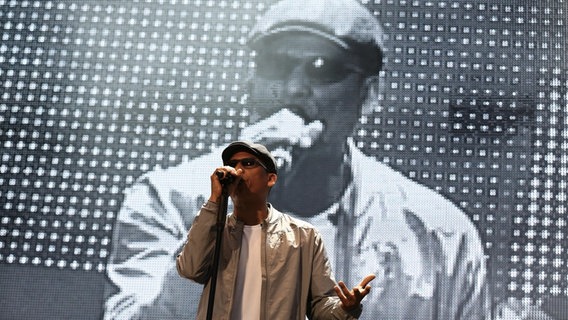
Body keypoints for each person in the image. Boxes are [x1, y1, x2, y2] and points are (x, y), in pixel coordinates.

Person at [104, 0, 490, 319]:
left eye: (325, 69)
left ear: (368, 95)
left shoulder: (440, 234)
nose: (293, 89)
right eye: (276, 65)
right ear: (250, 83)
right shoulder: (165, 200)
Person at [176, 140, 375, 319]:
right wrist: (214, 202)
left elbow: (320, 305)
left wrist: (346, 309)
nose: (237, 171)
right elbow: (190, 269)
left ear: (270, 179)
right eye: (233, 164)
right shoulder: (215, 229)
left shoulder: (303, 236)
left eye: (248, 163)